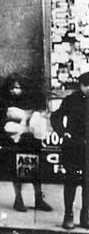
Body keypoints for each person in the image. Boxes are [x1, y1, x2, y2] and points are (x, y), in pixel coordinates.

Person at [0, 75, 51, 213]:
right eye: (12, 88)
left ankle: (38, 198)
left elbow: (40, 113)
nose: (14, 91)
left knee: (36, 169)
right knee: (17, 170)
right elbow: (2, 119)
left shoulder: (31, 99)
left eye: (17, 87)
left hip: (31, 138)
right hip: (15, 139)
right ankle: (18, 199)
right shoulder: (4, 100)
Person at [52, 71, 89, 230]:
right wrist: (62, 132)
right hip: (73, 147)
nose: (88, 88)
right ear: (80, 85)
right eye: (86, 85)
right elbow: (56, 116)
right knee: (71, 182)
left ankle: (85, 216)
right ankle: (68, 215)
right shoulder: (71, 100)